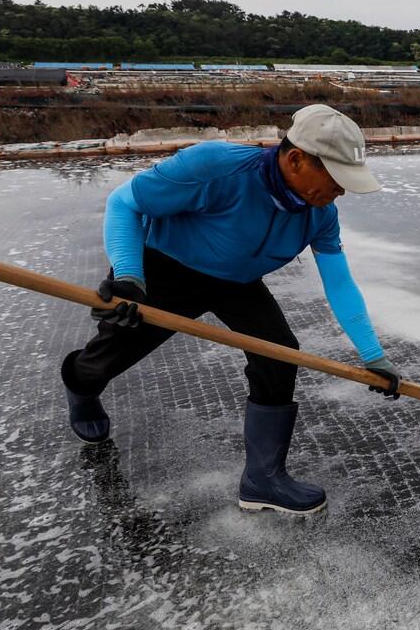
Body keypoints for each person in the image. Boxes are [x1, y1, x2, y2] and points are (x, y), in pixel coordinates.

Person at [60, 104, 400, 515]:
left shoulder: (320, 215)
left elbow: (340, 283)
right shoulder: (214, 166)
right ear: (296, 159)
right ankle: (81, 386)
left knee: (279, 355)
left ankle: (262, 480)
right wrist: (130, 277)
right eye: (336, 179)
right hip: (164, 269)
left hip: (236, 283)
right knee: (111, 355)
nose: (341, 191)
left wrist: (373, 355)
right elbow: (124, 203)